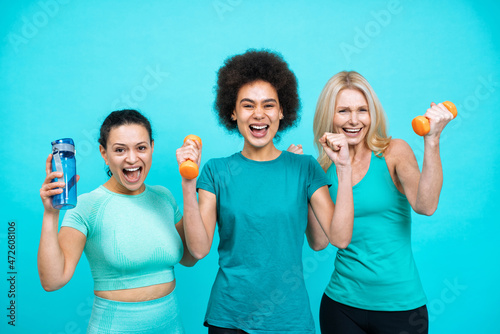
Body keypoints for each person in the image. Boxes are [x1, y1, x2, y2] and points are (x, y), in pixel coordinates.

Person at [176, 49, 354, 334]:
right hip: (230, 317)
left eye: (269, 105)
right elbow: (197, 249)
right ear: (232, 112)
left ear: (282, 111)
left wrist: (344, 169)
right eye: (247, 105)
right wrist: (188, 182)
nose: (259, 115)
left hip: (289, 319)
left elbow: (340, 238)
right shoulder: (215, 171)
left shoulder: (304, 168)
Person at [312, 71, 453, 334]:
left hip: (401, 307)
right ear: (328, 115)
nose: (354, 120)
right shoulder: (321, 168)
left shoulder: (393, 151)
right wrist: (301, 181)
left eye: (362, 110)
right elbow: (319, 242)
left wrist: (431, 140)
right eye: (343, 111)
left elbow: (426, 205)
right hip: (341, 305)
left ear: (372, 113)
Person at [38, 109, 196, 333]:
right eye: (120, 150)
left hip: (171, 326)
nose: (132, 159)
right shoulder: (87, 205)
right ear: (104, 153)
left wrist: (190, 184)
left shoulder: (164, 197)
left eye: (141, 148)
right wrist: (51, 214)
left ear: (152, 147)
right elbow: (52, 281)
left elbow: (190, 258)